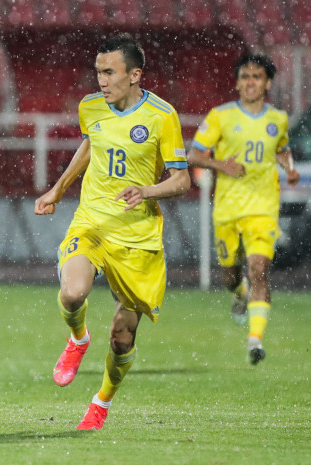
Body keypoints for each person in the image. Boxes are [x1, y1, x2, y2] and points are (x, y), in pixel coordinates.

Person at [34, 33, 190, 430]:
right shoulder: (91, 107)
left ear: (135, 74)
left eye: (109, 72)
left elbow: (182, 181)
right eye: (98, 72)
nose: (101, 80)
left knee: (122, 337)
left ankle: (101, 402)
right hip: (92, 221)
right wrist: (58, 189)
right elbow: (90, 145)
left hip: (138, 236)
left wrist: (148, 190)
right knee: (72, 293)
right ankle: (78, 339)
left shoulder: (161, 116)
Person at [188, 53, 299, 365]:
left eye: (257, 77)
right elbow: (193, 155)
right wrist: (221, 164)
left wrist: (288, 167)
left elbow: (281, 148)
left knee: (259, 270)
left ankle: (255, 340)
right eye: (245, 77)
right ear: (237, 83)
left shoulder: (277, 119)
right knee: (230, 274)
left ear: (268, 83)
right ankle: (239, 294)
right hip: (227, 210)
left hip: (263, 208)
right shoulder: (220, 116)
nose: (251, 82)